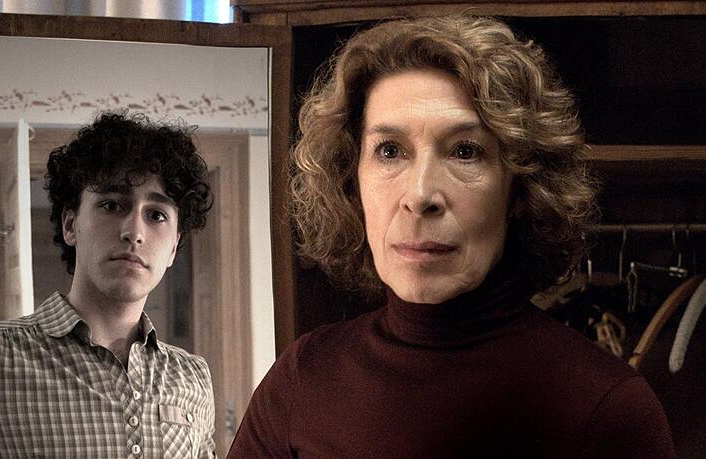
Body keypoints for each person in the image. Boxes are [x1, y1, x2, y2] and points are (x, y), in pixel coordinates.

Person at [228, 15, 674, 457]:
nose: (420, 195)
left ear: (520, 189)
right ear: (351, 179)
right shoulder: (302, 380)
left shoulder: (608, 409)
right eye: (390, 151)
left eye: (465, 151)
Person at [0, 112, 216, 457]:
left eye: (156, 215)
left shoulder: (192, 376)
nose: (134, 232)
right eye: (112, 205)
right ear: (70, 225)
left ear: (174, 247)